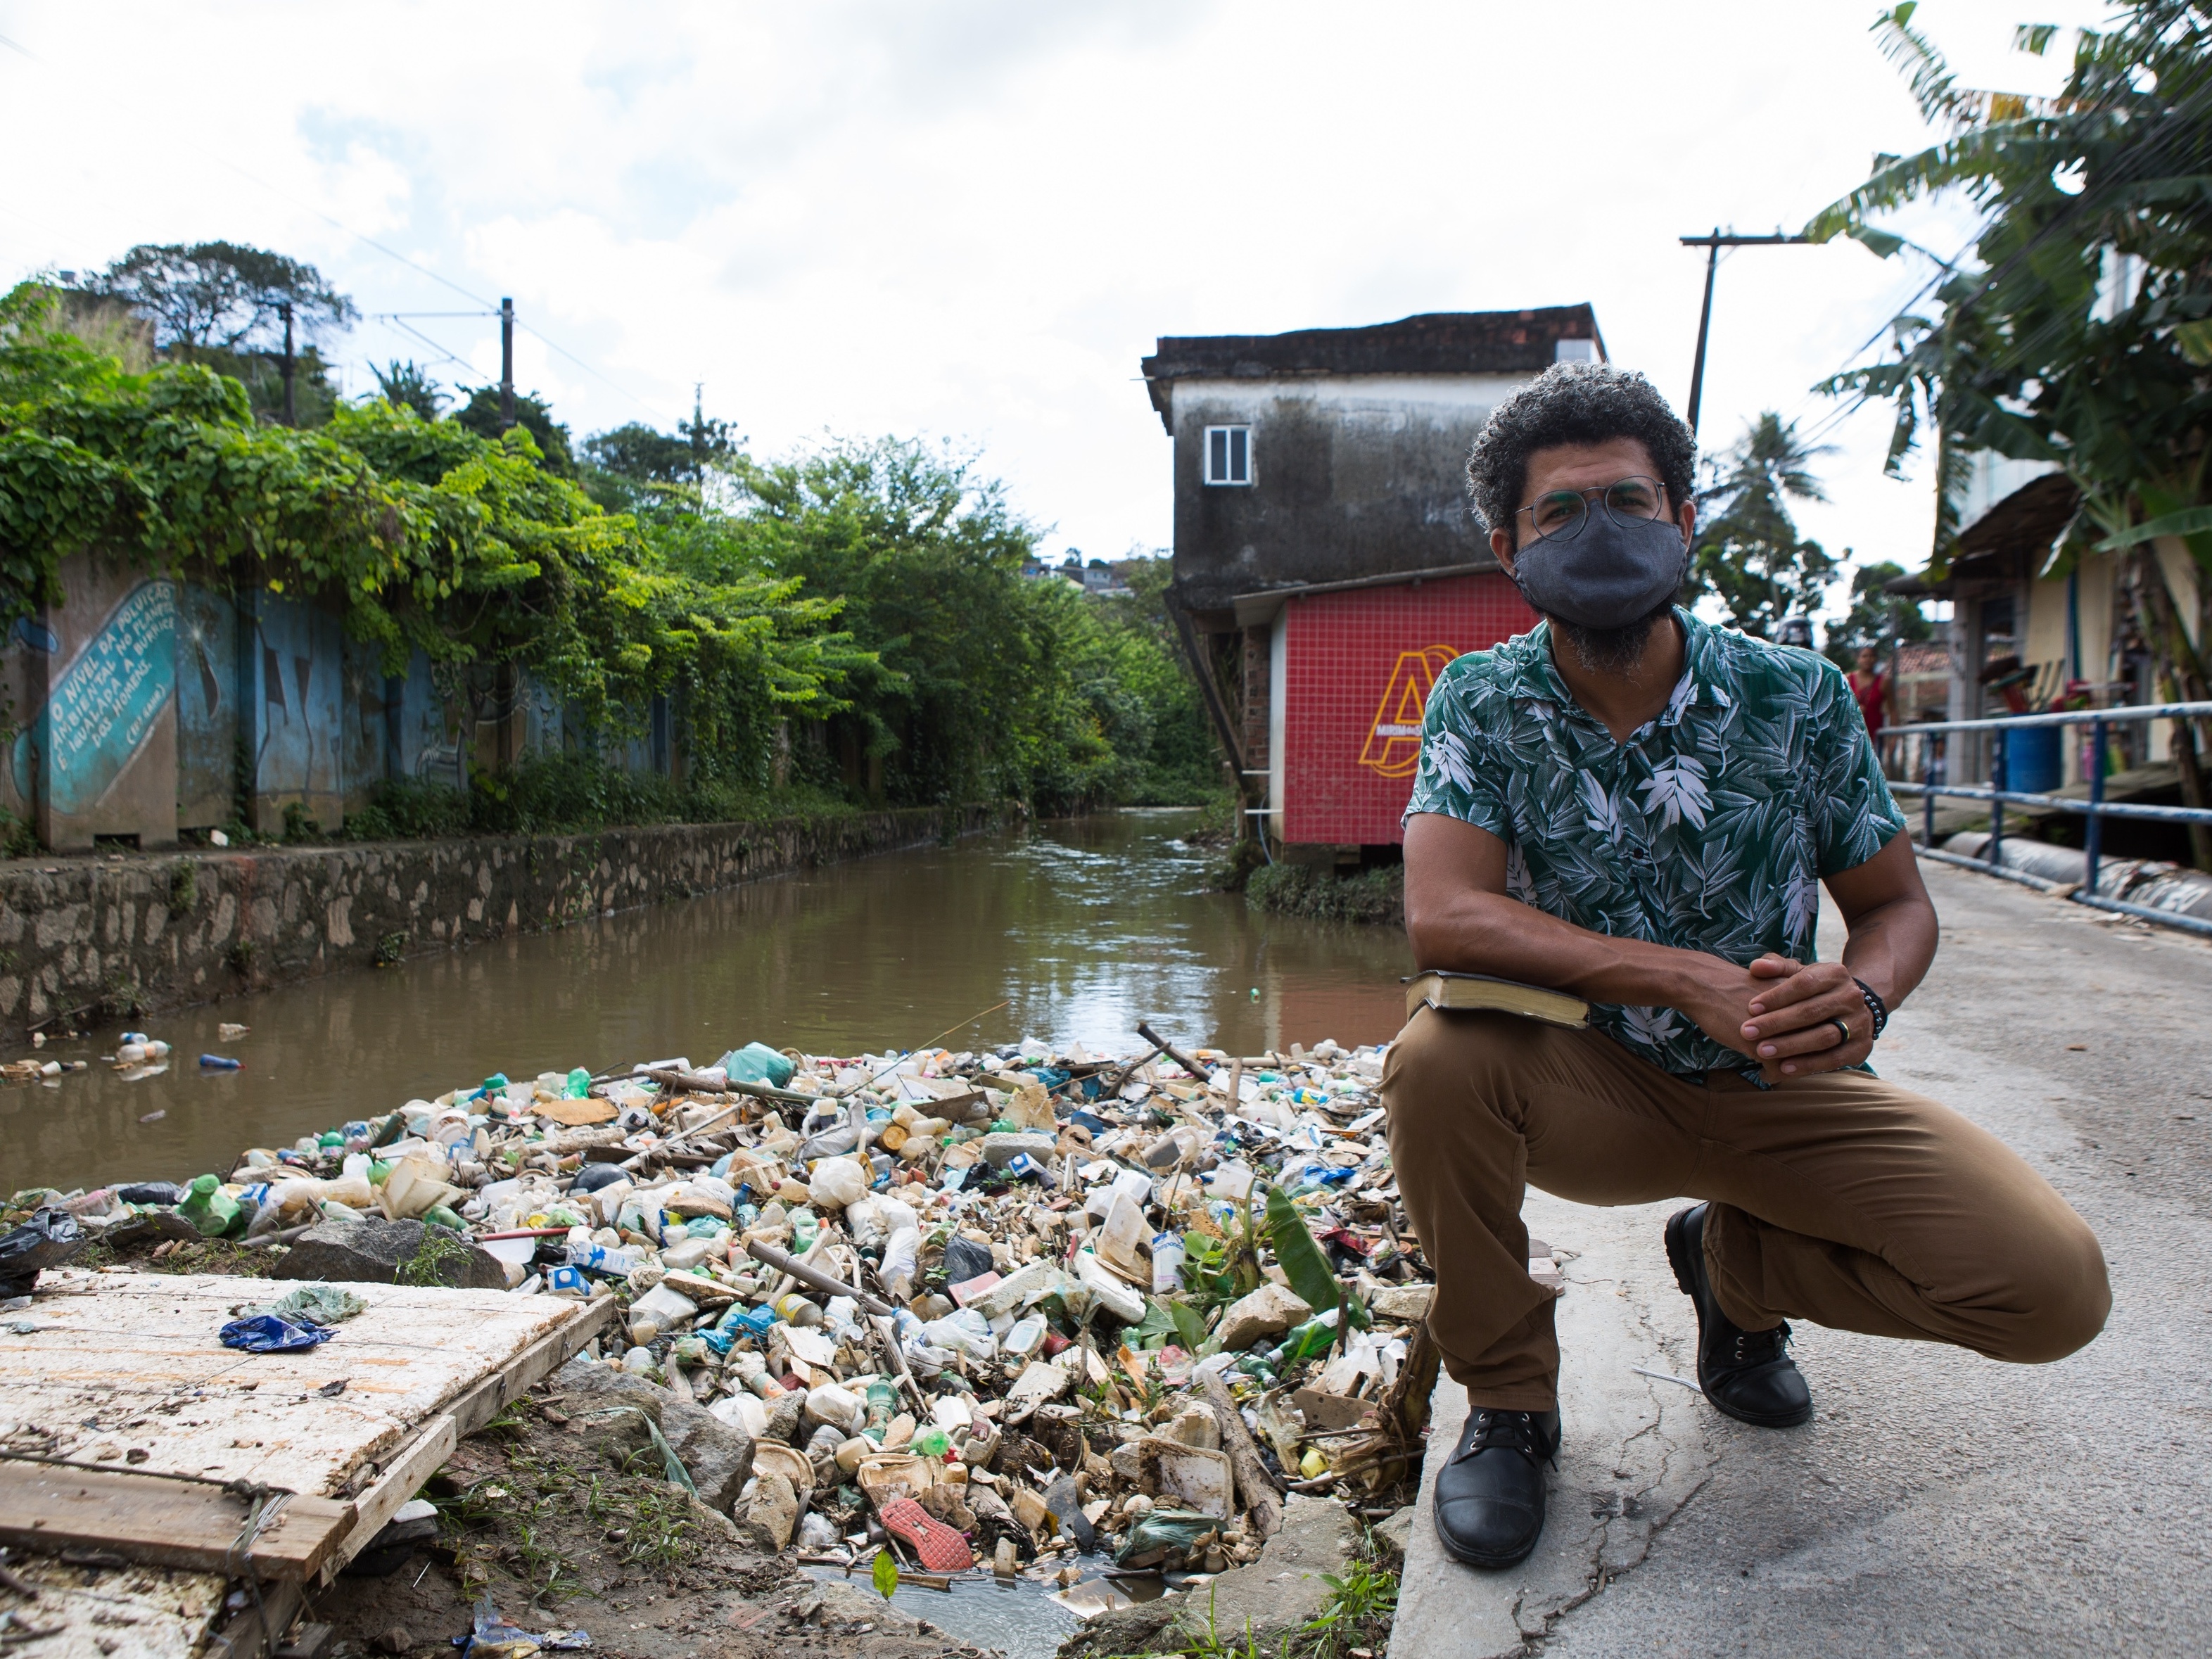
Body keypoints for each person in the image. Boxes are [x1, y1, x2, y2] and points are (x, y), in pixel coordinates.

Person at [1385, 362, 2109, 1572]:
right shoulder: (1480, 698)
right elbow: (1443, 916)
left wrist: (1866, 989)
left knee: (2048, 1289)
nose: (1597, 528)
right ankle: (1509, 1405)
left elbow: (1893, 906)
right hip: (1592, 1084)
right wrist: (1676, 977)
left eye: (1626, 497)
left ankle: (1729, 1266)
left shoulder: (1796, 695)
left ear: (1681, 516)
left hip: (1783, 1084)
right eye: (1559, 510)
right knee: (1436, 1054)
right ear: (1505, 542)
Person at [1850, 643, 1890, 737]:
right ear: (1858, 659)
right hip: (1852, 734)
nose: (1868, 659)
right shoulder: (1848, 680)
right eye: (1864, 656)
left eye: (1871, 656)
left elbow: (1893, 710)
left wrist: (1893, 739)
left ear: (1876, 659)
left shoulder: (1884, 682)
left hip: (1874, 734)